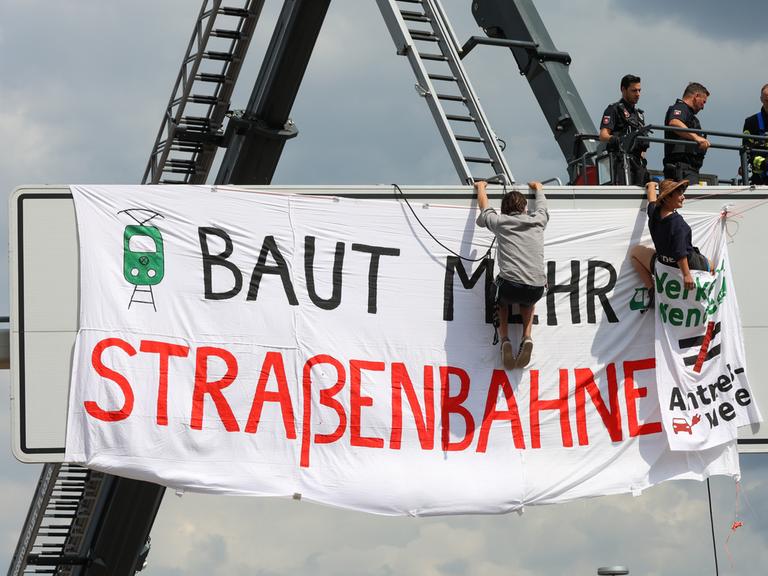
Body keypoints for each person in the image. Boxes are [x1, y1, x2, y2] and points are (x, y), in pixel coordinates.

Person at [474, 180, 548, 369]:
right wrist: (538, 189)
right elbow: (542, 207)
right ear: (524, 208)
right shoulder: (538, 221)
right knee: (529, 301)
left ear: (504, 209)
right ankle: (527, 336)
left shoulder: (500, 222)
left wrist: (481, 187)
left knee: (501, 299)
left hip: (510, 287)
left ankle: (505, 339)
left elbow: (484, 207)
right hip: (537, 288)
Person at [630, 179, 712, 298]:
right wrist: (686, 275)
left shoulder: (655, 213)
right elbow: (680, 252)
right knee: (712, 265)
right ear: (667, 198)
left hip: (664, 264)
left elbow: (652, 200)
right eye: (679, 194)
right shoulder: (677, 223)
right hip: (688, 264)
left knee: (635, 253)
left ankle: (651, 288)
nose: (683, 197)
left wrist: (651, 186)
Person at [599, 74, 650, 185]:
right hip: (621, 162)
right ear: (623, 89)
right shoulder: (614, 109)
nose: (638, 94)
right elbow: (603, 135)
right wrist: (617, 140)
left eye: (639, 90)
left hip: (638, 164)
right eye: (634, 91)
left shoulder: (639, 115)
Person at [663, 82, 711, 182]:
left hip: (689, 168)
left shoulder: (690, 116)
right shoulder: (680, 107)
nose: (703, 107)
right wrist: (697, 138)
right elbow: (674, 122)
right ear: (696, 96)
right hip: (681, 169)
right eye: (703, 102)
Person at [742, 83, 768, 185]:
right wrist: (762, 163)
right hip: (760, 179)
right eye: (766, 100)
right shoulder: (751, 122)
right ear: (761, 99)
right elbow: (746, 149)